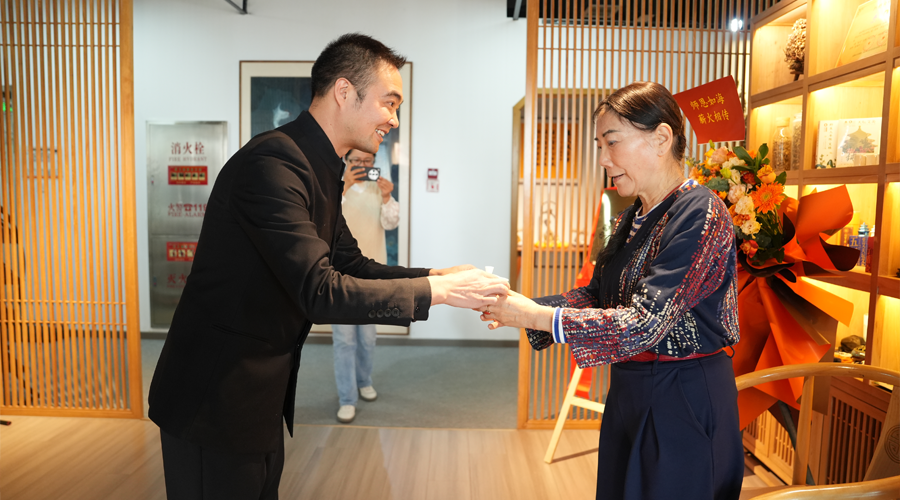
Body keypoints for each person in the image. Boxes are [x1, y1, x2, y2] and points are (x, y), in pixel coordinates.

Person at [148, 33, 509, 500]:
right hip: (213, 397)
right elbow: (319, 290)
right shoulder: (273, 163)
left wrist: (435, 276)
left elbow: (350, 263)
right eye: (389, 103)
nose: (394, 119)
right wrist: (440, 293)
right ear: (344, 91)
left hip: (258, 397)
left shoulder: (319, 167)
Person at [479, 82, 743, 500]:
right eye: (600, 146)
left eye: (612, 142)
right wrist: (521, 305)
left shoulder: (701, 212)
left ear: (661, 138)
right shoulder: (629, 217)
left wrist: (533, 316)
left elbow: (644, 324)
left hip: (683, 395)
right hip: (630, 389)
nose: (603, 159)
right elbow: (598, 295)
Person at [332, 148, 397, 423]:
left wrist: (387, 196)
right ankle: (347, 398)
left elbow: (391, 223)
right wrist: (344, 186)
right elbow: (325, 220)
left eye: (367, 161)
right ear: (345, 161)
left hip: (371, 276)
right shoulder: (335, 190)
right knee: (344, 340)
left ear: (374, 163)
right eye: (356, 160)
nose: (361, 165)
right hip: (340, 276)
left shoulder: (378, 190)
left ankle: (364, 381)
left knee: (368, 338)